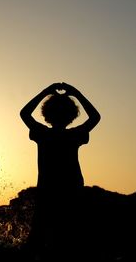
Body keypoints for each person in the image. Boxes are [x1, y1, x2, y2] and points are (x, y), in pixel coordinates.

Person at [20, 82, 101, 259]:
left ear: (46, 114)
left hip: (47, 190)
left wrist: (45, 92)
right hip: (72, 189)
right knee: (70, 238)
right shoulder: (74, 134)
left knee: (37, 239)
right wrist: (76, 93)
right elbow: (95, 117)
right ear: (71, 115)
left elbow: (24, 113)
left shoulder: (42, 134)